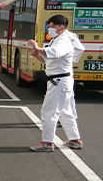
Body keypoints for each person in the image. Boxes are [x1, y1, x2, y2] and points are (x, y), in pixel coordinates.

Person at [28, 14, 84, 152]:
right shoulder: (61, 38)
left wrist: (37, 46)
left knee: (49, 112)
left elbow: (55, 53)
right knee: (66, 111)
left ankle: (47, 142)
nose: (50, 28)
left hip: (59, 81)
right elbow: (52, 60)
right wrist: (40, 56)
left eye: (53, 26)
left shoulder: (63, 40)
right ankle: (74, 139)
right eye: (49, 26)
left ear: (61, 28)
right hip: (62, 79)